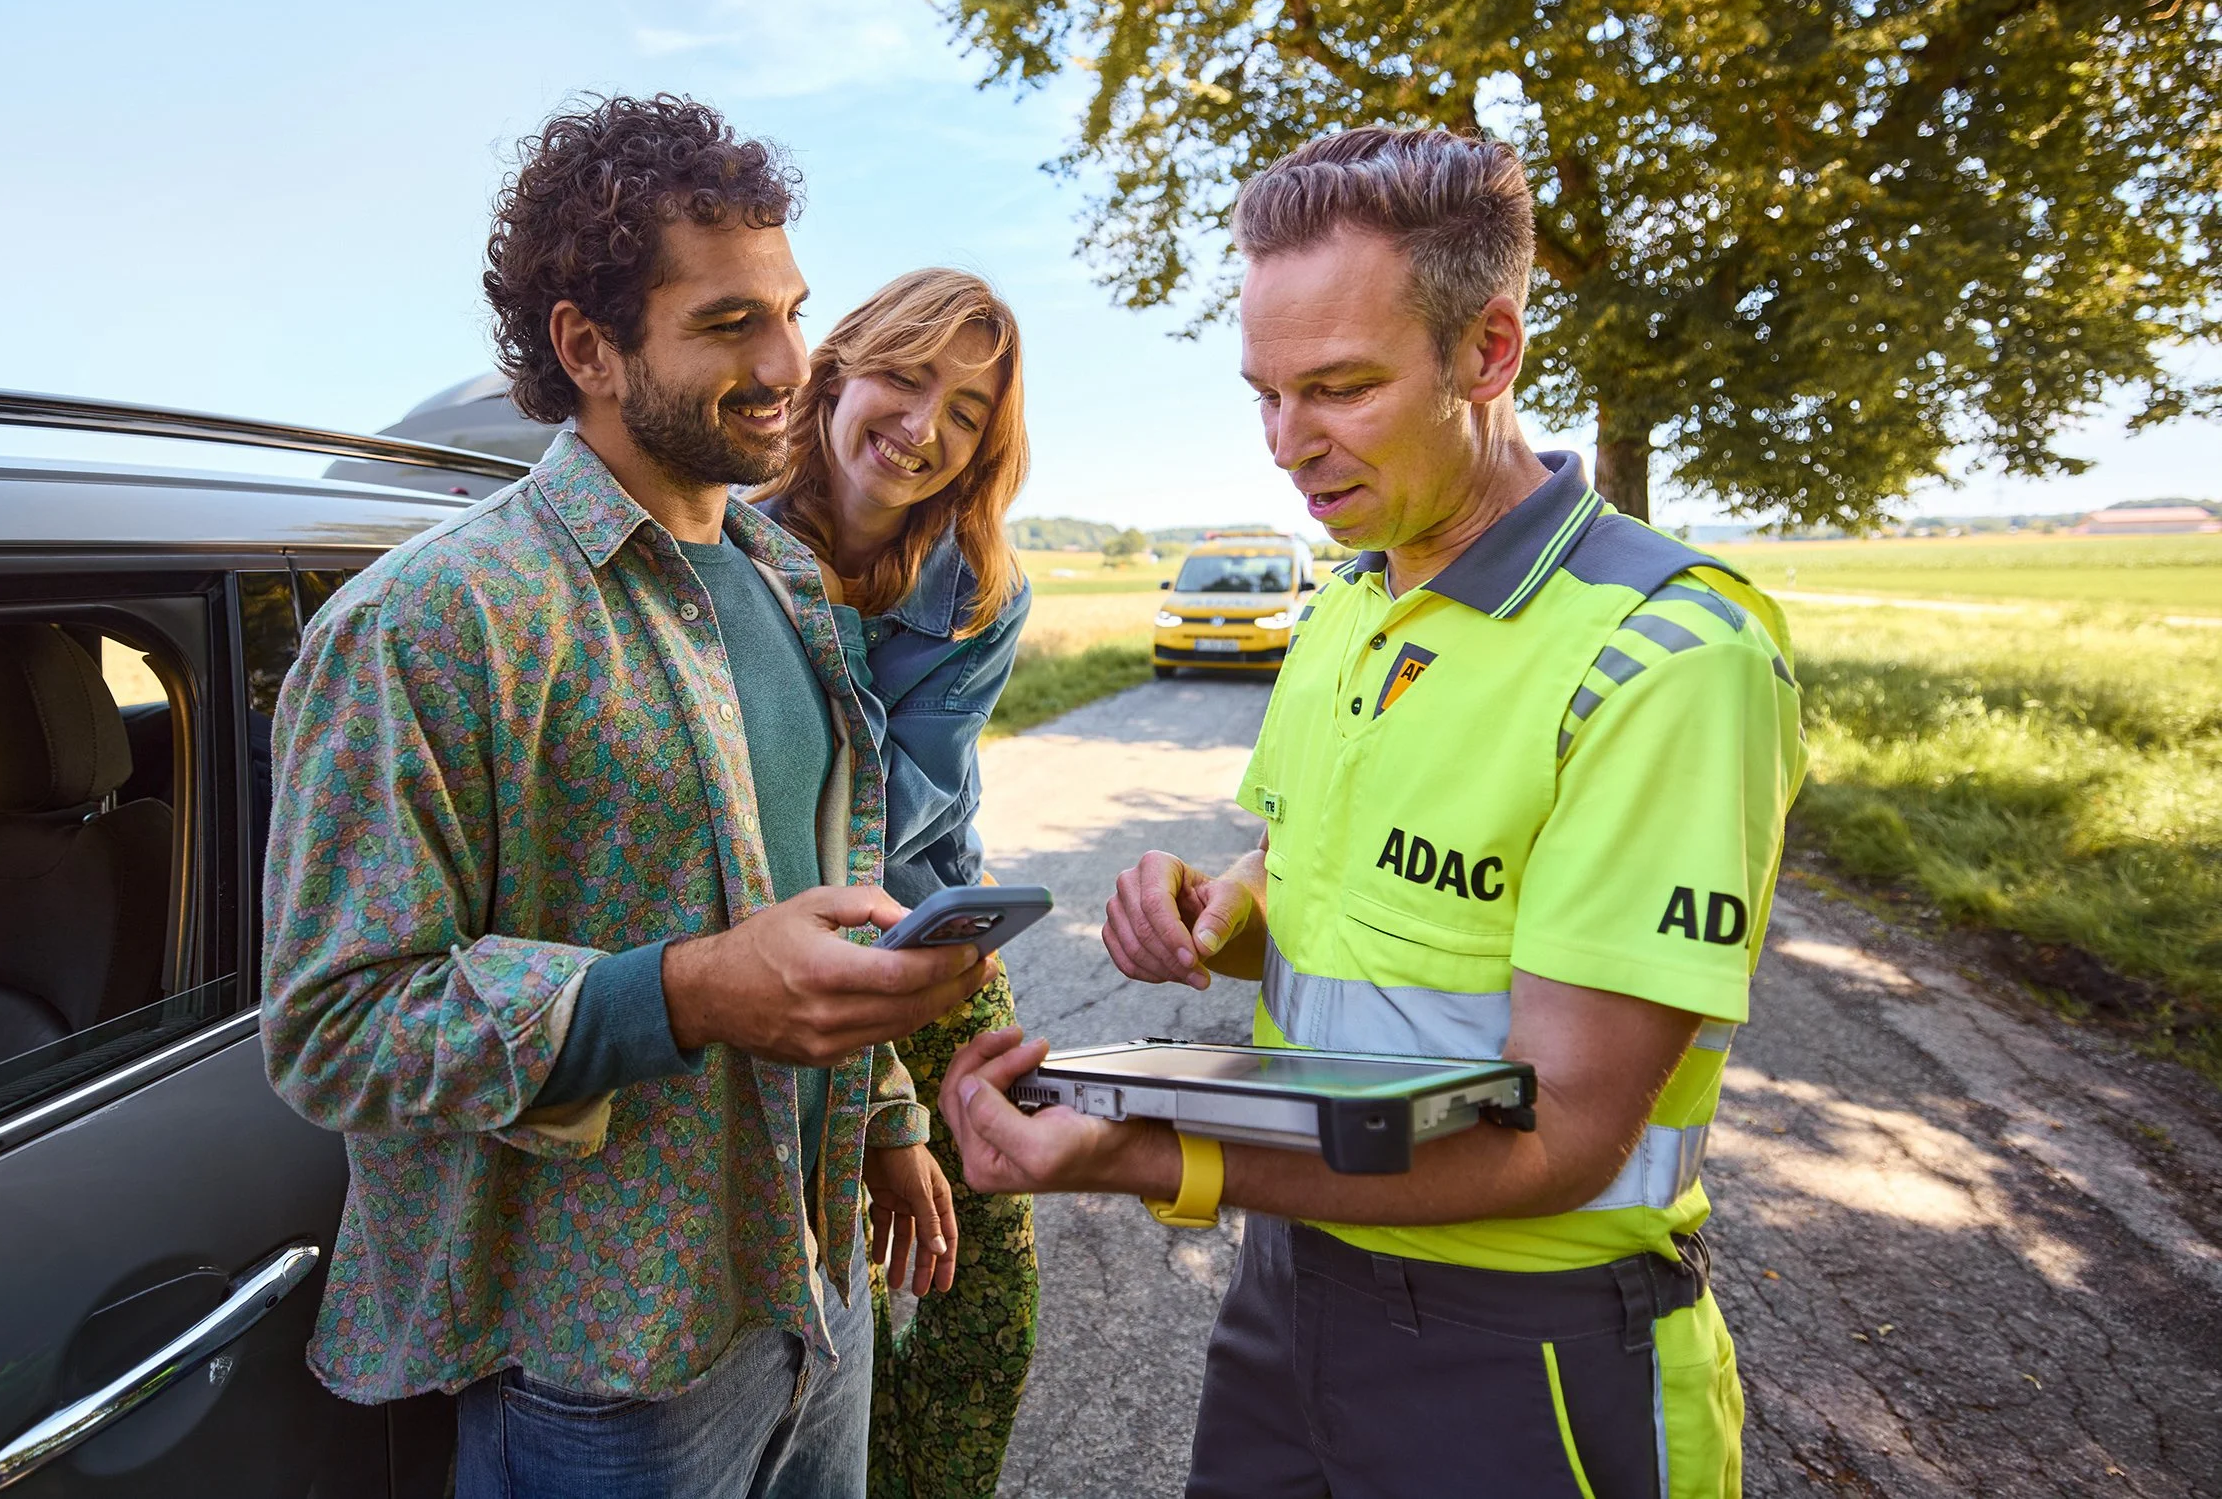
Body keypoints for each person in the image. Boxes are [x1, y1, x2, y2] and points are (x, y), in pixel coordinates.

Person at [936, 127, 1806, 1498]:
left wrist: (1153, 1152)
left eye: (1340, 388)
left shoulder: (1667, 657)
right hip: (1292, 1289)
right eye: (1266, 394)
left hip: (1527, 1349)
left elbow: (1567, 1134)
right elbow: (1308, 875)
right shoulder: (1347, 603)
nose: (1290, 445)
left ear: (1488, 350)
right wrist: (1223, 909)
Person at [260, 94, 991, 1499]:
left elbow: (802, 894)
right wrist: (687, 992)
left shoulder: (785, 583)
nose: (789, 364)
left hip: (816, 1279)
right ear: (587, 347)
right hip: (611, 1369)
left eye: (792, 311)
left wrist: (888, 1115)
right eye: (728, 323)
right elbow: (335, 1025)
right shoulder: (433, 621)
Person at [749, 269, 1038, 1499]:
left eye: (966, 412)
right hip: (779, 949)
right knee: (840, 1284)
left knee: (984, 1294)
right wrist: (881, 1107)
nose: (924, 427)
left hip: (929, 939)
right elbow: (761, 818)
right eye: (905, 379)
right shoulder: (730, 544)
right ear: (836, 370)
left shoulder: (979, 589)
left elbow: (890, 803)